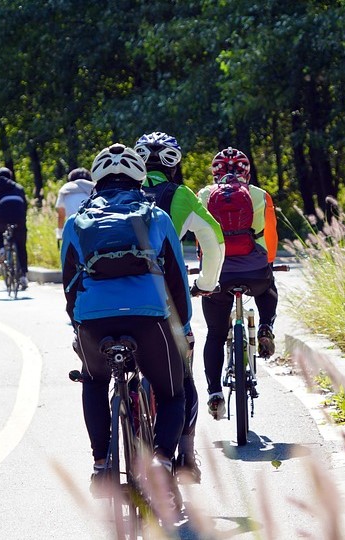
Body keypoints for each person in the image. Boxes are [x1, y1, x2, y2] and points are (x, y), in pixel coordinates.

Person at [61, 143, 189, 507]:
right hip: (149, 320)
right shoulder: (156, 217)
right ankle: (163, 459)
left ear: (96, 182)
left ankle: (101, 462)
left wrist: (78, 325)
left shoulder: (77, 222)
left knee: (94, 380)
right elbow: (177, 281)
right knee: (172, 393)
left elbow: (68, 283)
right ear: (138, 179)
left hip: (93, 323)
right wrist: (183, 328)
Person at [134, 131, 225, 483]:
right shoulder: (180, 196)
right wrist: (205, 283)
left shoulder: (115, 195)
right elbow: (213, 241)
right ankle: (185, 454)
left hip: (109, 305)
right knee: (182, 380)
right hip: (165, 304)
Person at [197, 147, 279, 420]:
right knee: (268, 286)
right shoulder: (260, 196)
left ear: (214, 173)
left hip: (218, 276)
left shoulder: (204, 196)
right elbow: (271, 240)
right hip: (255, 273)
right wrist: (266, 263)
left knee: (215, 335)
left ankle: (214, 394)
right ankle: (266, 326)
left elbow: (200, 243)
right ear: (247, 172)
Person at [0, 167, 29, 289]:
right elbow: (25, 205)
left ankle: (1, 248)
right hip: (19, 216)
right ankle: (23, 276)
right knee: (21, 246)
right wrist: (23, 221)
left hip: (2, 216)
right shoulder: (19, 188)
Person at [54, 167, 94, 242]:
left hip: (73, 228)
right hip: (91, 228)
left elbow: (61, 214)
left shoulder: (65, 190)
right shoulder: (94, 189)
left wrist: (59, 233)